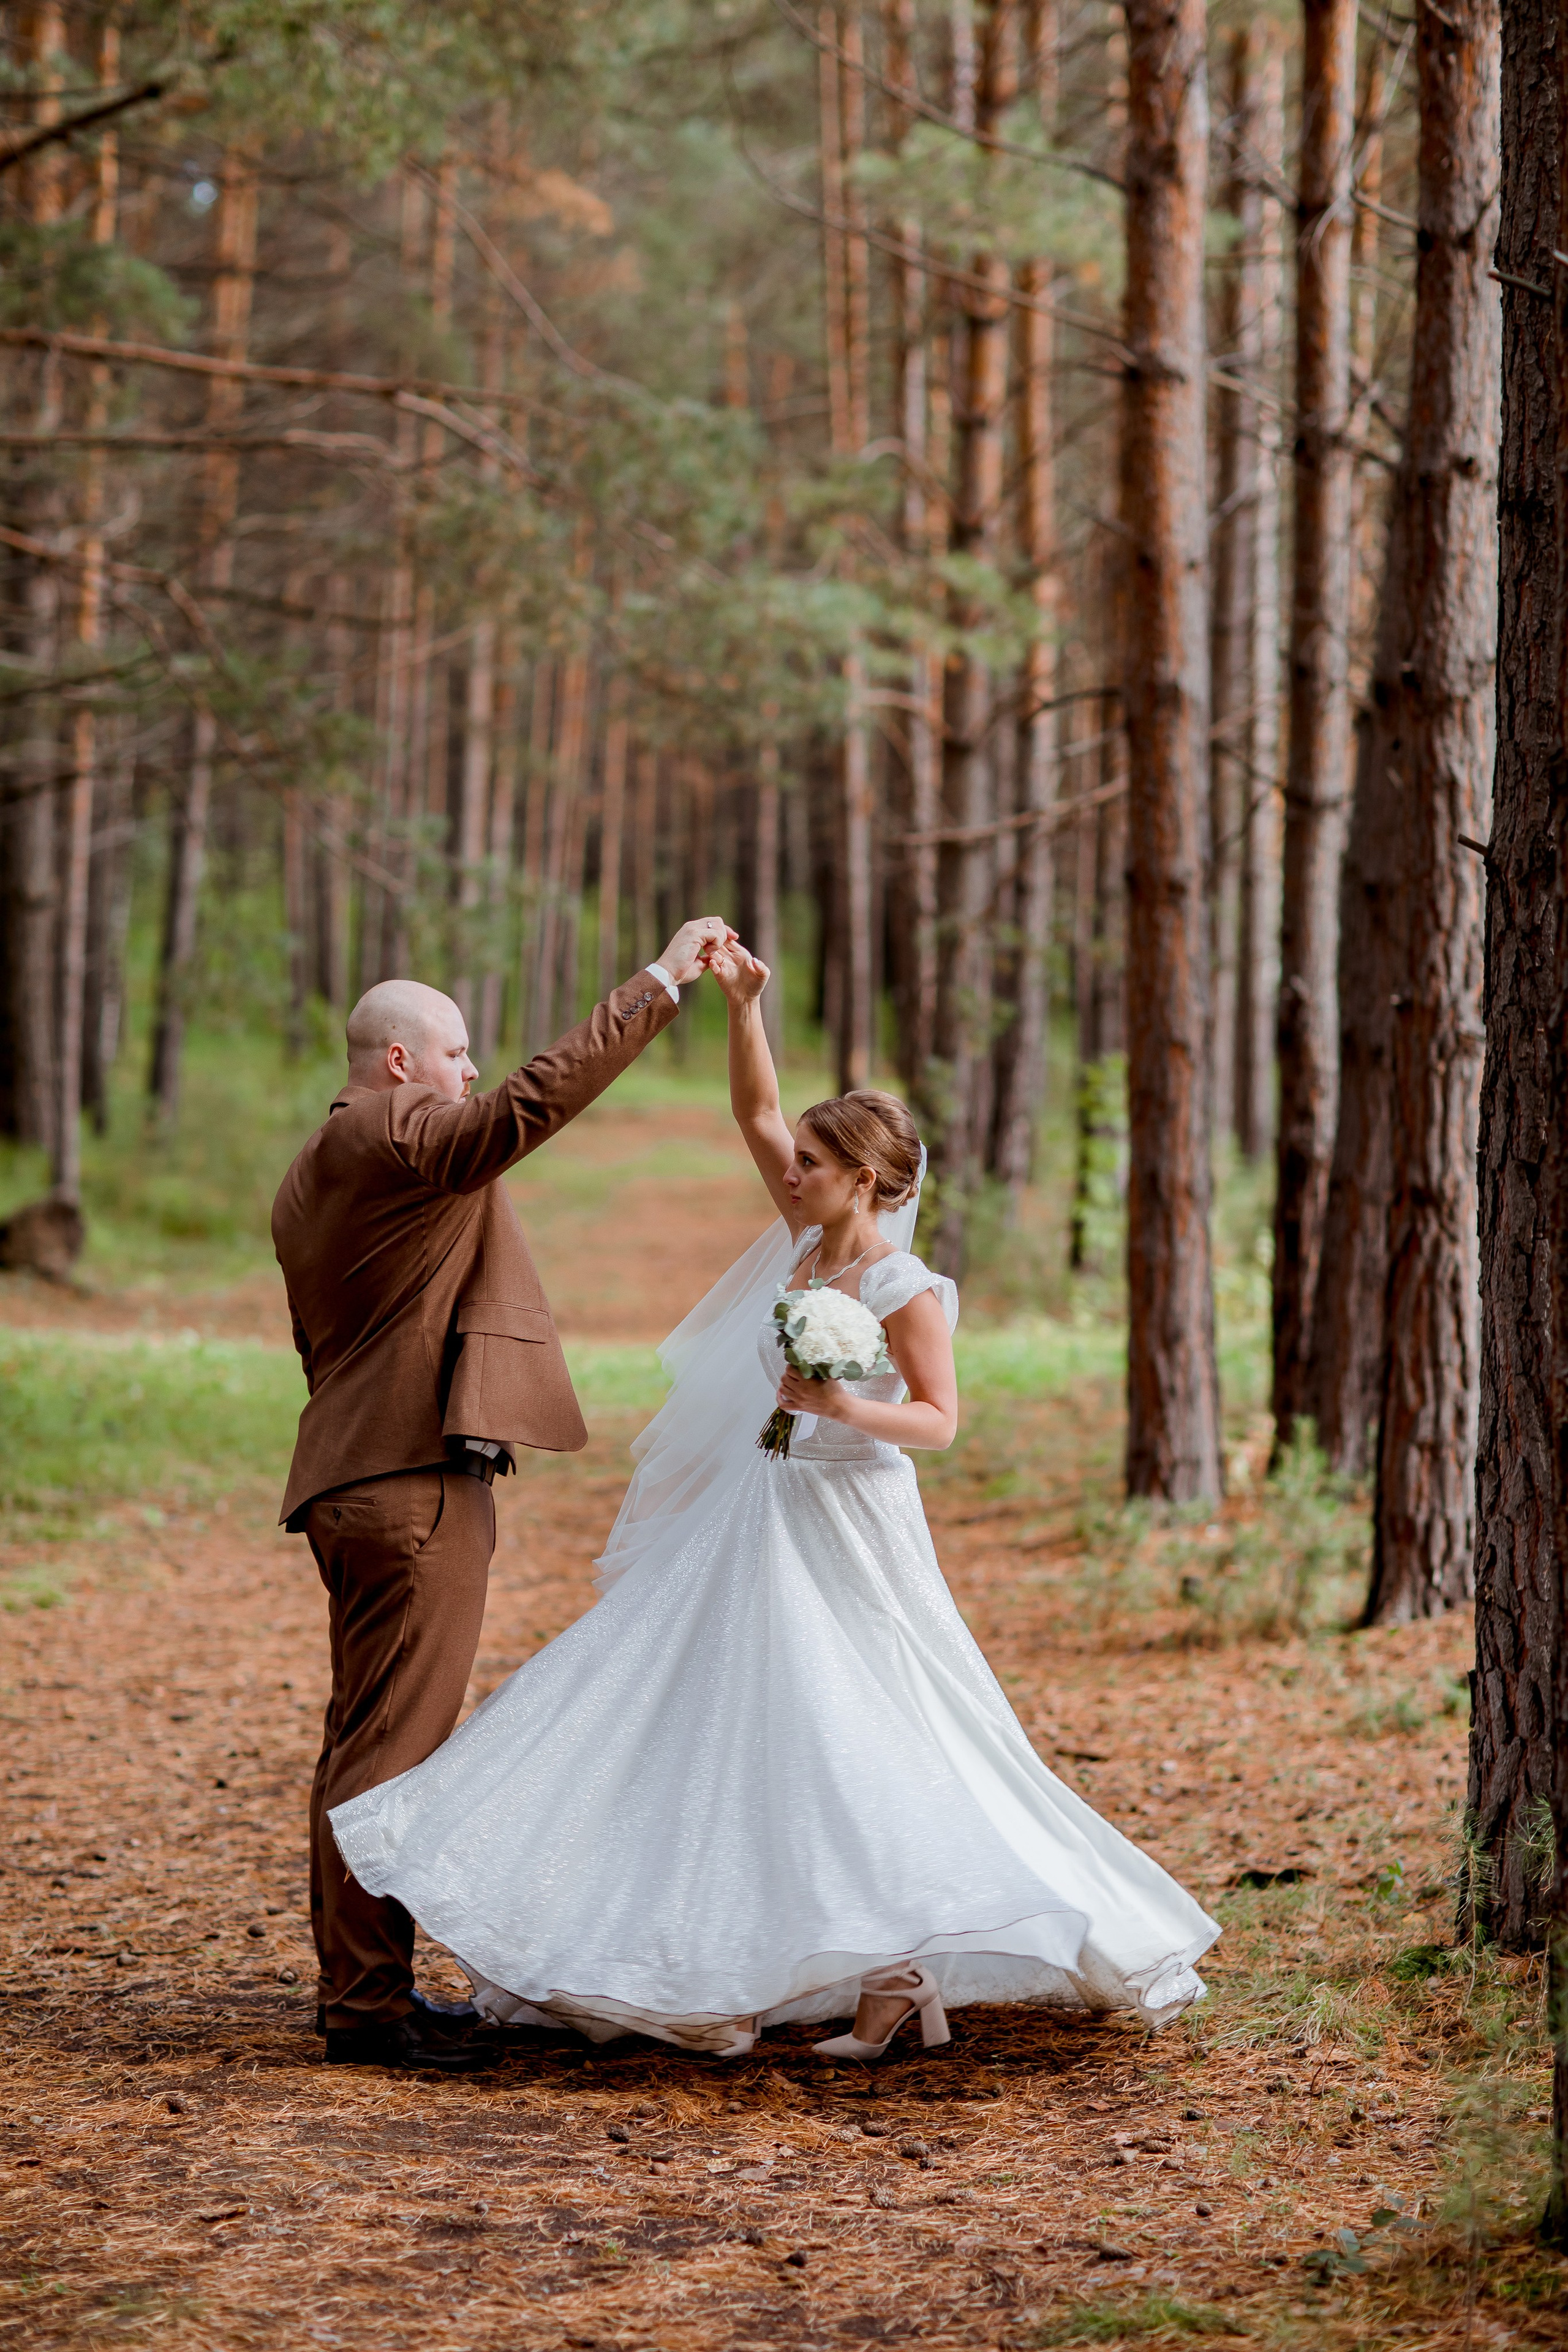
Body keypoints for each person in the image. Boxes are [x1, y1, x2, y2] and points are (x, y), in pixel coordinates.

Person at [327, 941, 1219, 2061]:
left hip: (850, 1520)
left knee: (869, 1732)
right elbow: (754, 1108)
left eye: (809, 1161)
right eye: (791, 1158)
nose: (786, 1168)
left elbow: (940, 1422)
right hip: (762, 1511)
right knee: (742, 1729)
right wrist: (745, 1007)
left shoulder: (904, 1285)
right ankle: (820, 1964)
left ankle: (895, 1966)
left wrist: (841, 1405)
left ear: (864, 1181)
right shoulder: (803, 1243)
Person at [271, 916, 734, 2073]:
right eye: (455, 1052)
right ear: (397, 1064)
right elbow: (520, 1112)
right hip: (411, 1482)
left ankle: (365, 1990)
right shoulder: (396, 1132)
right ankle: (369, 2011)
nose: (469, 1070)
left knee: (364, 1740)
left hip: (353, 1475)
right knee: (393, 1752)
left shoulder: (311, 1171)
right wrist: (660, 985)